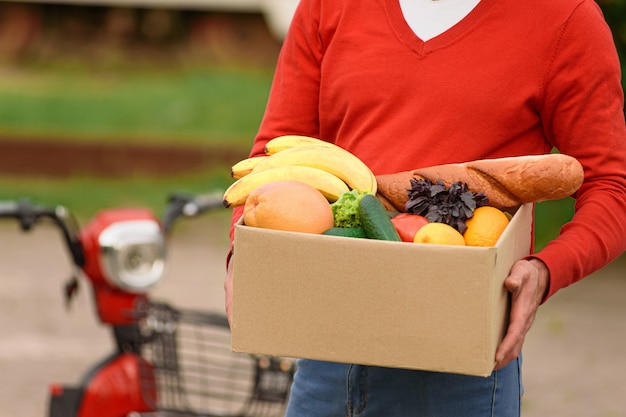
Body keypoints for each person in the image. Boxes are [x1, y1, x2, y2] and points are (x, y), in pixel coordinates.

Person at [225, 0, 626, 415]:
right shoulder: (330, 6)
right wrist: (245, 253)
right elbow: (275, 154)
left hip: (459, 368)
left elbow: (613, 187)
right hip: (329, 345)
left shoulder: (563, 18)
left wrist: (545, 270)